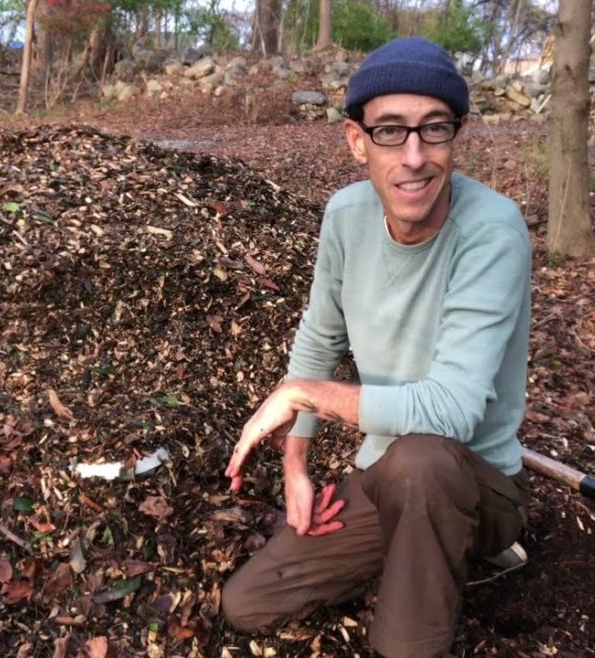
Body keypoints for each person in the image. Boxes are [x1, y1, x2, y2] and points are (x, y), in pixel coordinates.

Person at [220, 36, 532, 658]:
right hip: (386, 476)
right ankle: (433, 549)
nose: (414, 157)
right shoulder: (345, 215)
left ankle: (467, 555)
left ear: (455, 136)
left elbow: (451, 413)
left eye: (433, 130)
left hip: (478, 481)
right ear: (356, 140)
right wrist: (296, 465)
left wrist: (308, 395)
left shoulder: (492, 231)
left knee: (424, 461)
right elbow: (319, 337)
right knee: (248, 604)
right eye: (390, 132)